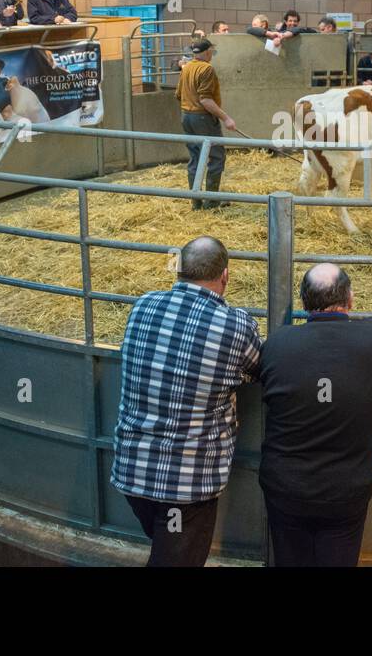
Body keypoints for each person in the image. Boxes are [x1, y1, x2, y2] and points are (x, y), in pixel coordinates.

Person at [111, 236, 262, 566]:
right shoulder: (237, 325)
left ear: (178, 269)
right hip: (187, 484)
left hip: (132, 473)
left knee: (170, 552)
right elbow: (258, 371)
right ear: (225, 276)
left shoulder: (142, 306)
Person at [259, 263, 372, 567]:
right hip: (345, 493)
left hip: (286, 489)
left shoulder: (278, 343)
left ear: (304, 303)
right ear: (351, 298)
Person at [175, 38, 236, 208]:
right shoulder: (207, 69)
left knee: (195, 157)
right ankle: (212, 202)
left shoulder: (186, 68)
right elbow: (205, 100)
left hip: (186, 116)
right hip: (203, 118)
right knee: (216, 157)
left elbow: (178, 94)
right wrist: (226, 118)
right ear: (208, 52)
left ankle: (196, 202)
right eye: (211, 52)